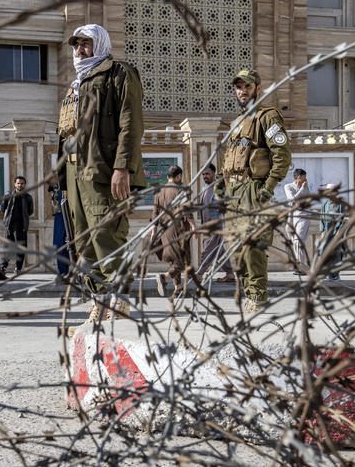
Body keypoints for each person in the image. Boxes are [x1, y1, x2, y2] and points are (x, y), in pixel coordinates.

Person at [56, 24, 146, 336]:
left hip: (103, 170)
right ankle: (100, 301)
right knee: (83, 241)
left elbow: (130, 123)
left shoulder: (118, 73)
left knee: (105, 233)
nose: (80, 50)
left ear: (101, 44)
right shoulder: (75, 85)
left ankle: (117, 300)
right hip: (73, 172)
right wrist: (62, 179)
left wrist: (123, 168)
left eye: (86, 44)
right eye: (77, 45)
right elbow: (65, 135)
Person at [218, 69, 291, 314]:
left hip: (253, 188)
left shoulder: (267, 117)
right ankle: (250, 293)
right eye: (238, 87)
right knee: (236, 248)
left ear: (258, 88)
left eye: (247, 87)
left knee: (253, 246)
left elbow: (282, 156)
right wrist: (221, 185)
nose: (242, 91)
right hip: (234, 191)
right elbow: (230, 157)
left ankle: (257, 296)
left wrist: (268, 188)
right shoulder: (237, 122)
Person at [150, 165, 196, 297]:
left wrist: (154, 231)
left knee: (173, 258)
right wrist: (193, 226)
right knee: (182, 259)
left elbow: (155, 212)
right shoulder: (181, 190)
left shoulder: (159, 191)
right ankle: (164, 277)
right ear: (178, 176)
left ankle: (178, 288)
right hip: (178, 228)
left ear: (167, 177)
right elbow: (186, 211)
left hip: (164, 229)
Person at [196, 163, 235, 283]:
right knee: (219, 252)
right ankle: (229, 273)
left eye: (207, 174)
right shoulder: (204, 189)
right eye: (203, 174)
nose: (205, 176)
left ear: (213, 174)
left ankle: (199, 274)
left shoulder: (218, 187)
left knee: (207, 251)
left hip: (216, 226)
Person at [1, 176, 33, 274]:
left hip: (21, 226)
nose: (20, 185)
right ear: (15, 184)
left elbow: (30, 211)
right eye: (18, 183)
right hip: (9, 225)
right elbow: (3, 208)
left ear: (25, 185)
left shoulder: (28, 197)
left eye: (22, 183)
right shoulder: (8, 195)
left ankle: (18, 268)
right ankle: (3, 267)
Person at [284, 168, 310, 274]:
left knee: (298, 241)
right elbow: (292, 200)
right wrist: (302, 189)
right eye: (304, 177)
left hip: (303, 216)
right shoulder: (288, 186)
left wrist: (304, 189)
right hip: (292, 217)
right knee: (294, 242)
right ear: (299, 177)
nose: (306, 179)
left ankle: (301, 267)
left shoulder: (305, 187)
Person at [318, 184, 346, 281]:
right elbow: (321, 218)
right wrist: (322, 231)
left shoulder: (341, 204)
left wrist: (340, 231)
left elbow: (343, 219)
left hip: (336, 233)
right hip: (327, 232)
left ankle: (336, 274)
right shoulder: (325, 205)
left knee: (337, 253)